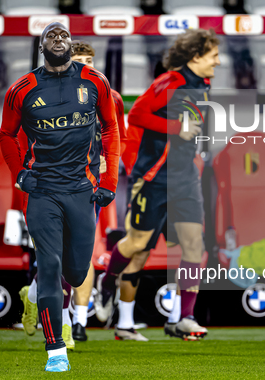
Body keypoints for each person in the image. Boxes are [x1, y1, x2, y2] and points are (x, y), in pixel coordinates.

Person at [0, 22, 120, 372]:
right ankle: (55, 351)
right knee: (49, 266)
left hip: (82, 191)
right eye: (50, 35)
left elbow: (112, 129)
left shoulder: (95, 81)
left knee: (77, 272)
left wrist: (109, 178)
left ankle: (34, 294)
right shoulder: (22, 88)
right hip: (42, 191)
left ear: (71, 43)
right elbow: (7, 135)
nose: (58, 39)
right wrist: (20, 175)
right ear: (41, 46)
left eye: (63, 34)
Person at [94, 29, 221, 341]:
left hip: (186, 178)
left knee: (195, 247)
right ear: (195, 57)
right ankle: (106, 283)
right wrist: (177, 127)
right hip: (154, 178)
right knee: (136, 245)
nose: (218, 62)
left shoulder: (203, 83)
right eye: (213, 55)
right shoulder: (172, 81)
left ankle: (184, 318)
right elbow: (136, 114)